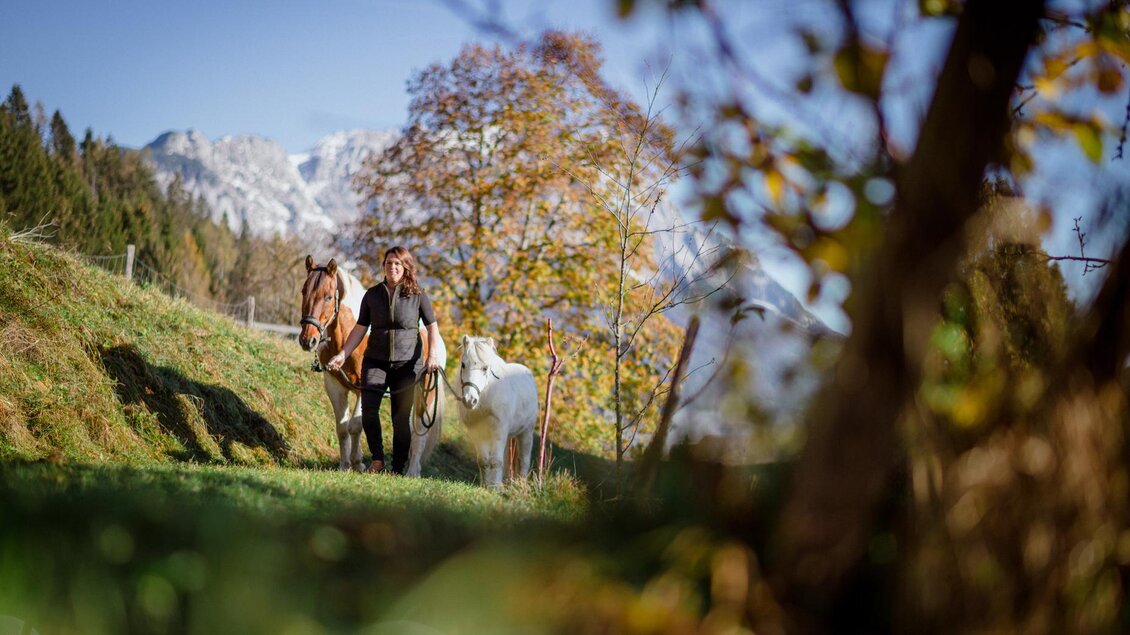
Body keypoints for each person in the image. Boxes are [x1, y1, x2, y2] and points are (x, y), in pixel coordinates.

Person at [326, 246, 442, 474]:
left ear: (406, 267)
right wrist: (342, 354)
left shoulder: (418, 295)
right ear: (384, 267)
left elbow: (432, 326)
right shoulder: (373, 295)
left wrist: (433, 354)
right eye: (389, 263)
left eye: (398, 263)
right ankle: (377, 459)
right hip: (376, 361)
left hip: (407, 364)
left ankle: (398, 467)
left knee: (400, 419)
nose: (393, 267)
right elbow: (360, 328)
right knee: (369, 411)